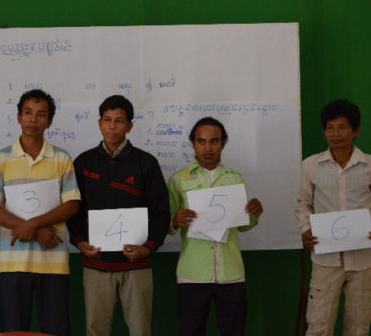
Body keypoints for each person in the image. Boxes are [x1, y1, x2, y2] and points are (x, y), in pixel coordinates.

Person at [66, 95, 170, 336]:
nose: (112, 126)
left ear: (130, 126)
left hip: (136, 264)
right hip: (96, 264)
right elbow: (74, 209)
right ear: (99, 123)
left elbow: (161, 212)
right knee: (96, 330)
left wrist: (148, 247)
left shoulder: (146, 163)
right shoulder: (83, 163)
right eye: (107, 119)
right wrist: (80, 242)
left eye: (119, 121)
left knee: (140, 330)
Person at [0, 89, 80, 336]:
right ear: (18, 117)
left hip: (54, 262)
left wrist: (32, 224)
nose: (33, 119)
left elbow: (72, 204)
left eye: (41, 114)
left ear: (50, 121)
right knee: (13, 330)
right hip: (13, 262)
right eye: (27, 113)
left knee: (56, 330)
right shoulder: (1, 159)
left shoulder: (62, 158)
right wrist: (34, 230)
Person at [295, 99, 371, 336]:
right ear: (324, 131)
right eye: (330, 127)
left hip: (363, 259)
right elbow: (303, 204)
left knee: (358, 327)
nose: (335, 134)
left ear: (355, 130)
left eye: (341, 127)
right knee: (319, 326)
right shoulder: (311, 165)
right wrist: (306, 229)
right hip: (325, 259)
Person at [167, 117, 263, 336]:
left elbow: (242, 226)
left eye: (214, 141)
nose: (207, 148)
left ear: (223, 143)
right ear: (193, 143)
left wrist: (253, 214)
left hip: (231, 271)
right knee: (191, 331)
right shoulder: (178, 180)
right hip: (192, 271)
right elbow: (165, 224)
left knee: (234, 331)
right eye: (201, 141)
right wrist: (174, 221)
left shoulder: (235, 179)